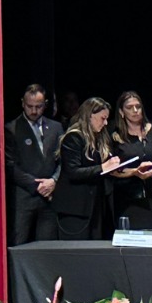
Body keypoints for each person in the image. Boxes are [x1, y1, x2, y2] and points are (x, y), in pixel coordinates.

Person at [54, 97, 129, 240]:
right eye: (103, 118)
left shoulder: (98, 138)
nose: (106, 123)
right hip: (75, 208)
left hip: (94, 206)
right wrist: (103, 166)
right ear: (90, 116)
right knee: (77, 250)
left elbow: (102, 169)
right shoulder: (74, 138)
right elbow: (72, 172)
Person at [108, 91, 152, 230]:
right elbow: (111, 168)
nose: (135, 110)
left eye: (138, 106)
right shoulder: (114, 137)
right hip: (129, 199)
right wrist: (134, 172)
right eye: (129, 107)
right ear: (121, 111)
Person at [5, 84, 64, 243]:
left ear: (45, 104)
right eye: (29, 106)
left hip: (50, 198)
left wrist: (54, 180)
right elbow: (9, 165)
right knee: (19, 243)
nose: (33, 111)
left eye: (38, 106)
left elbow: (63, 160)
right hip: (24, 198)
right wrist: (36, 185)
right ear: (22, 103)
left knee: (47, 249)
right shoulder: (11, 129)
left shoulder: (56, 127)